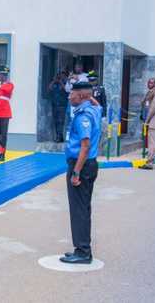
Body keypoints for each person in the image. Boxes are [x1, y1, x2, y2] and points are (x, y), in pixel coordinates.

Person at [59, 82, 102, 264]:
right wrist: (89, 94)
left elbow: (85, 146)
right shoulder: (94, 110)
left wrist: (76, 172)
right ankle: (81, 248)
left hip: (81, 166)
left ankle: (83, 252)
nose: (69, 97)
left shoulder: (83, 116)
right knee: (83, 208)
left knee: (79, 210)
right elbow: (98, 105)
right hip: (89, 165)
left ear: (82, 97)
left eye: (73, 94)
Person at [0, 66, 14, 161]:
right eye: (0, 75)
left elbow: (7, 90)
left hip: (5, 113)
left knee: (3, 134)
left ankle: (2, 154)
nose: (2, 76)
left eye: (4, 75)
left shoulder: (9, 84)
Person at [48, 72, 68, 142]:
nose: (59, 77)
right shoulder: (54, 84)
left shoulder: (65, 83)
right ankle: (58, 136)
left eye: (61, 76)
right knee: (56, 122)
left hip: (62, 105)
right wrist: (54, 81)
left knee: (61, 122)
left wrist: (61, 82)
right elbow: (49, 88)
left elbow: (66, 90)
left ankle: (60, 136)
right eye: (58, 76)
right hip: (55, 105)